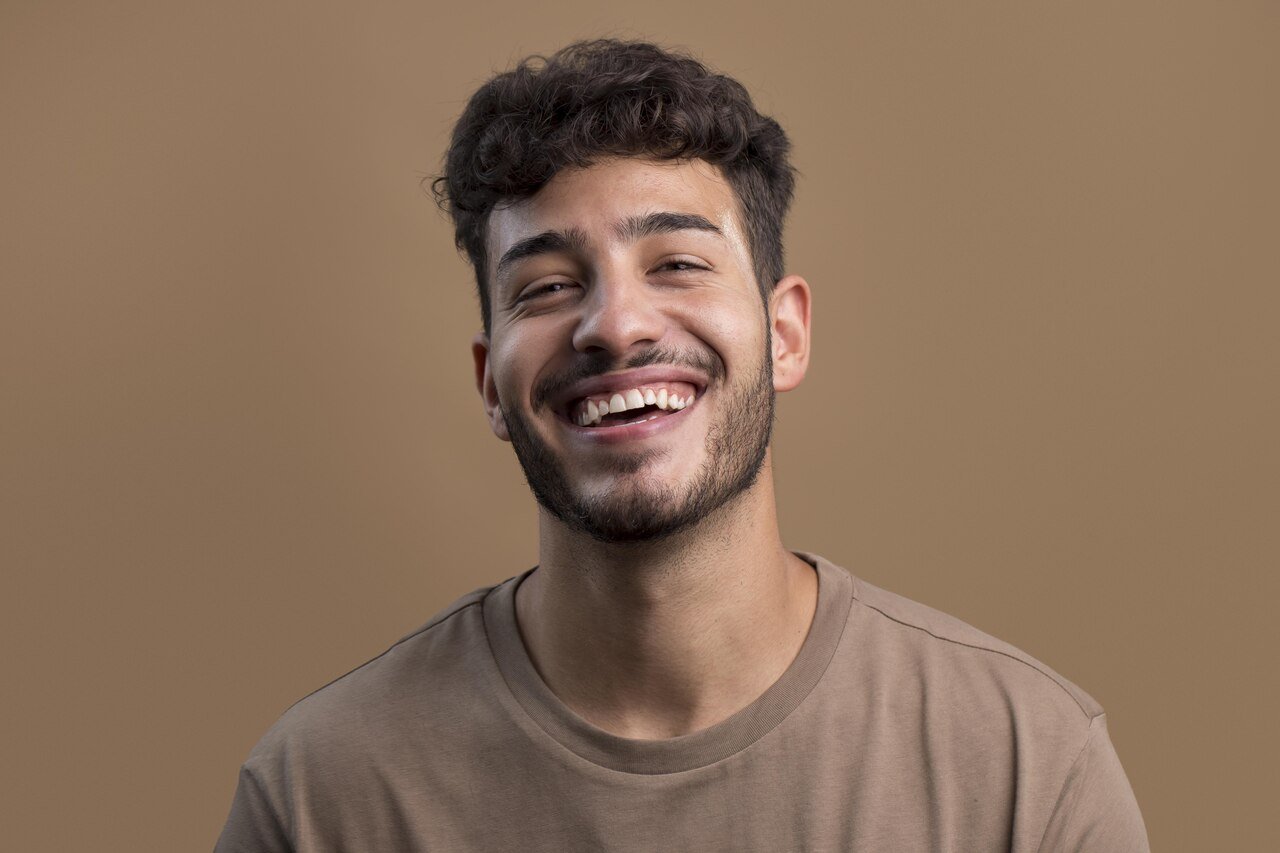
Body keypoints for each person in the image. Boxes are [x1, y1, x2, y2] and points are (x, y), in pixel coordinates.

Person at [215, 39, 1149, 851]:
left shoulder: (1026, 766)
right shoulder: (319, 793)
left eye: (678, 265)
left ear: (784, 335)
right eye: (544, 286)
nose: (614, 326)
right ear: (489, 384)